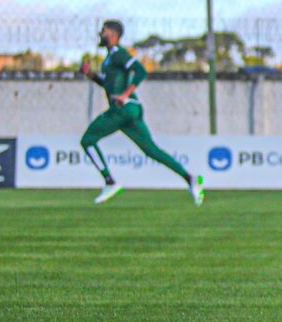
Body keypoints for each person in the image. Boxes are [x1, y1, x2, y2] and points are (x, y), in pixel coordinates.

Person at [80, 20, 204, 206]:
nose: (101, 33)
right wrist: (91, 75)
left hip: (123, 109)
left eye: (104, 30)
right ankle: (190, 179)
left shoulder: (118, 54)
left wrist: (125, 94)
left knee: (88, 140)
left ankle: (110, 182)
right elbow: (108, 83)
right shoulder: (110, 58)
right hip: (131, 110)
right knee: (151, 150)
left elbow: (140, 70)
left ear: (113, 34)